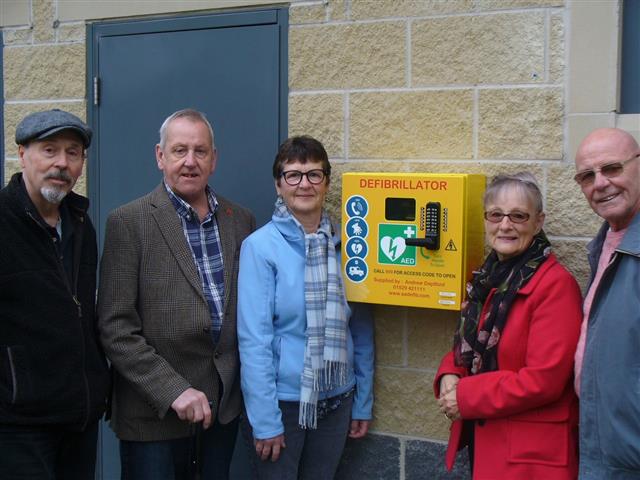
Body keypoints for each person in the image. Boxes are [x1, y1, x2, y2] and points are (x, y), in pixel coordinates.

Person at [98, 109, 255, 479]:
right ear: (160, 156)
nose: (190, 161)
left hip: (222, 410)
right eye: (179, 150)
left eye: (200, 151)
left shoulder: (240, 221)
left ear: (213, 160)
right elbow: (115, 327)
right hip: (153, 414)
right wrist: (173, 390)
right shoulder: (128, 222)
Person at [237, 135, 374, 479]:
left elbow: (360, 328)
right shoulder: (260, 247)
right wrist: (265, 421)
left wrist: (362, 399)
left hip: (338, 399)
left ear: (327, 182)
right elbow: (255, 339)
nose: (304, 184)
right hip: (283, 404)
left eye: (314, 174)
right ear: (278, 184)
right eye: (293, 175)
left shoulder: (348, 245)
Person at [435, 173, 582, 479]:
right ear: (486, 219)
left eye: (518, 215)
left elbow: (544, 381)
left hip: (530, 456)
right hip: (488, 439)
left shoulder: (556, 286)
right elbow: (472, 342)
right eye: (496, 214)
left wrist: (465, 396)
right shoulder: (488, 277)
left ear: (538, 222)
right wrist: (451, 371)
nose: (505, 225)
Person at [0, 109, 110, 479]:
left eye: (73, 152)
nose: (61, 163)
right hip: (18, 424)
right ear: (22, 154)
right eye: (49, 150)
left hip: (77, 417)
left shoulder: (80, 224)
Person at [572, 128, 640, 479]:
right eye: (587, 176)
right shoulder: (605, 245)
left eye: (612, 168)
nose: (600, 183)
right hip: (603, 452)